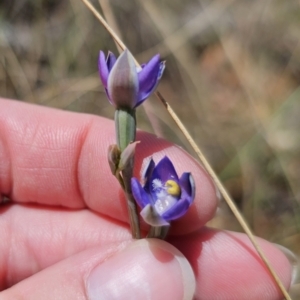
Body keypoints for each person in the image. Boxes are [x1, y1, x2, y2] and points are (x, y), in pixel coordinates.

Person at [0, 98, 292, 299]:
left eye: (174, 189)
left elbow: (182, 185)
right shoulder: (141, 191)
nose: (170, 189)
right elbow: (152, 188)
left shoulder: (157, 193)